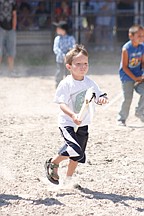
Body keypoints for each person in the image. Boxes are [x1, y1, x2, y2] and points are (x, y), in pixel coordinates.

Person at [44, 44, 108, 185]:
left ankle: (68, 180)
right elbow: (62, 104)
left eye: (85, 63)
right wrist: (73, 115)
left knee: (77, 155)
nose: (83, 67)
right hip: (68, 123)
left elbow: (99, 95)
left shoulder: (90, 83)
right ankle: (53, 162)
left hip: (83, 123)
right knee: (74, 148)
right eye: (78, 64)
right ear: (69, 66)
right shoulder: (66, 84)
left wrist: (102, 99)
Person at [117, 25, 144, 126]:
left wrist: (142, 74)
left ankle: (140, 112)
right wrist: (135, 78)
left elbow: (143, 62)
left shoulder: (142, 47)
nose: (142, 38)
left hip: (138, 75)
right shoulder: (126, 49)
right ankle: (121, 118)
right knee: (127, 98)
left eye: (143, 36)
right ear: (131, 36)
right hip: (127, 77)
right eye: (139, 36)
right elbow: (124, 67)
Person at [53, 21, 76, 88]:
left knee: (68, 73)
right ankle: (58, 84)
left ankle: (68, 85)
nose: (57, 30)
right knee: (59, 72)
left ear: (63, 30)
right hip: (60, 59)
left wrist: (68, 54)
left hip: (69, 60)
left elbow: (73, 47)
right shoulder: (57, 38)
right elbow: (56, 48)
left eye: (58, 28)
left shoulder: (70, 38)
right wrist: (63, 55)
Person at [0, 0, 17, 75]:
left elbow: (14, 14)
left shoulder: (12, 2)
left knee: (11, 51)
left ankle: (11, 70)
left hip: (10, 29)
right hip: (1, 28)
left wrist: (13, 28)